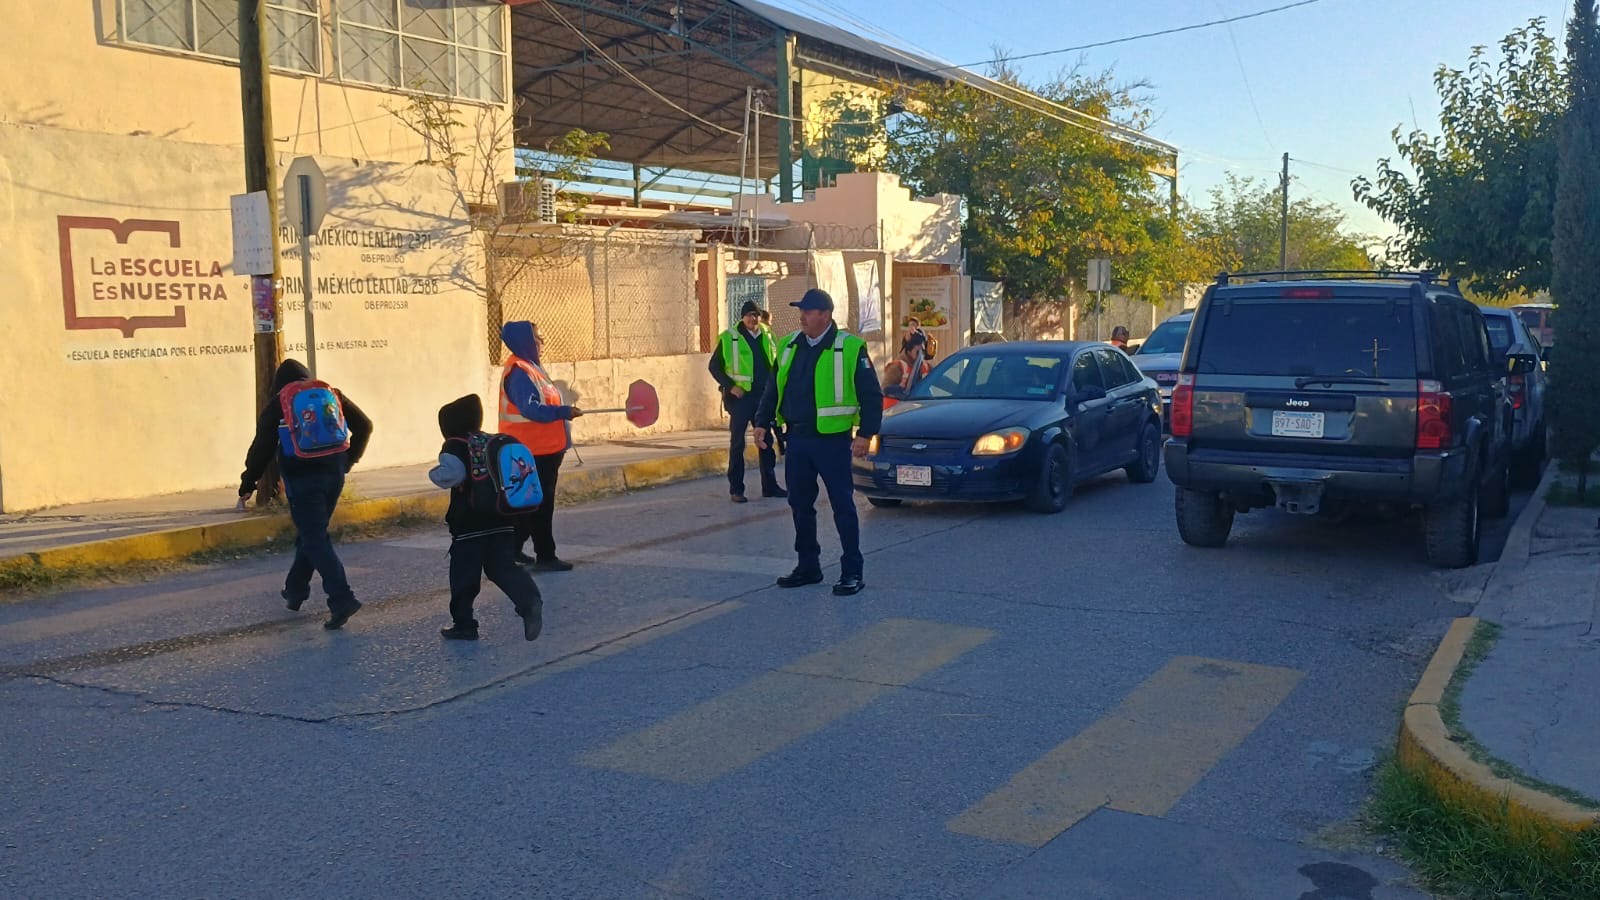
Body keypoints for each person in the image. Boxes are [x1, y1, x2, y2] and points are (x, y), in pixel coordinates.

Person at [754, 288, 883, 596]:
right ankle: (808, 566)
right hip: (797, 438)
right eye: (801, 311)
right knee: (799, 504)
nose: (802, 316)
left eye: (808, 311)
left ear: (825, 315)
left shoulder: (849, 347)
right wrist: (761, 422)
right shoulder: (788, 345)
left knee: (842, 506)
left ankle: (852, 571)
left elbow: (871, 395)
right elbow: (773, 388)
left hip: (832, 441)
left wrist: (865, 434)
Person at [237, 359, 372, 630]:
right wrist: (347, 461)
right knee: (312, 535)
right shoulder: (331, 394)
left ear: (279, 385)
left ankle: (342, 598)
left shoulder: (280, 402)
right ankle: (295, 590)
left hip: (302, 478)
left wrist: (248, 483)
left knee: (314, 537)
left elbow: (262, 447)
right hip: (333, 474)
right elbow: (365, 426)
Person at [428, 395, 544, 642]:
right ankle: (529, 600)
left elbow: (451, 475)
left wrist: (433, 474)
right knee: (502, 567)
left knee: (464, 578)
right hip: (502, 520)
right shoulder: (489, 440)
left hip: (470, 526)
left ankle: (464, 625)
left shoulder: (454, 445)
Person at [500, 321, 583, 572]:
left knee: (529, 505)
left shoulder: (532, 367)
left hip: (544, 449)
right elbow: (531, 409)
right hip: (531, 451)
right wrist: (563, 411)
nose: (541, 342)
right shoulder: (520, 372)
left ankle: (511, 549)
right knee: (540, 506)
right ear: (524, 340)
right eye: (537, 337)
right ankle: (546, 556)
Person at [710, 300, 786, 503]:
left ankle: (770, 486)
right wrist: (730, 386)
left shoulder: (768, 334)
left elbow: (776, 363)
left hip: (763, 398)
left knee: (765, 442)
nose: (753, 319)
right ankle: (736, 489)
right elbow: (714, 366)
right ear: (742, 317)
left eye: (756, 315)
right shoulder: (730, 338)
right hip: (741, 399)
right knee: (738, 443)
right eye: (750, 315)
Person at [881, 331, 932, 409]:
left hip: (920, 408)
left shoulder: (925, 366)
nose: (920, 354)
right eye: (917, 351)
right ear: (909, 349)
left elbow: (941, 379)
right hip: (895, 410)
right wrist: (899, 390)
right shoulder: (896, 367)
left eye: (922, 350)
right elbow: (885, 389)